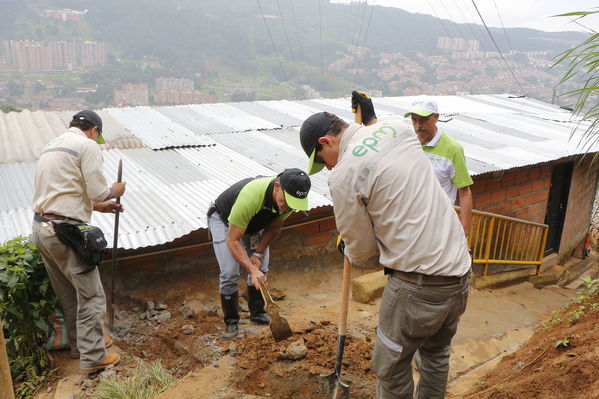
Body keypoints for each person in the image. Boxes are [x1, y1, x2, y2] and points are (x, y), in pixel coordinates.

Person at [299, 101, 471, 398]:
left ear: (325, 141)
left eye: (323, 159)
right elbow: (375, 138)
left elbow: (363, 254)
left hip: (418, 285)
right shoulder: (398, 126)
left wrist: (349, 247)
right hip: (460, 274)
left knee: (390, 367)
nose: (328, 166)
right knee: (436, 355)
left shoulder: (341, 177)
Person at [31, 110, 126, 373]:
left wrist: (99, 206)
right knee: (92, 295)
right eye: (98, 136)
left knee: (69, 294)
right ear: (94, 130)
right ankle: (94, 356)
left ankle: (79, 347)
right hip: (64, 232)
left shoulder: (54, 145)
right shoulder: (87, 146)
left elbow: (63, 191)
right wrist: (114, 192)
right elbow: (98, 189)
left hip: (42, 228)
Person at [207, 168, 311, 339]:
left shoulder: (290, 200)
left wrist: (258, 255)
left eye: (292, 204)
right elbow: (233, 240)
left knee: (262, 268)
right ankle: (231, 322)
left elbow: (274, 227)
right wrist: (251, 269)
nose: (287, 207)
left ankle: (256, 312)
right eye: (286, 202)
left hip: (254, 223)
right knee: (230, 272)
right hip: (225, 220)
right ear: (277, 187)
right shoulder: (251, 197)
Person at [403, 96, 473, 237]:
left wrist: (464, 232)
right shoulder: (408, 143)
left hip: (437, 227)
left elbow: (464, 193)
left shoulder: (453, 149)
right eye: (414, 120)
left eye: (423, 120)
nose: (418, 126)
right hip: (409, 223)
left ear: (436, 117)